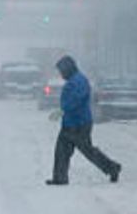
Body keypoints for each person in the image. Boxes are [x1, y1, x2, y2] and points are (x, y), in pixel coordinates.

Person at [46, 55, 122, 186]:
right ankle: (60, 178)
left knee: (88, 151)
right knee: (62, 151)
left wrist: (62, 110)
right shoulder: (74, 80)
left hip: (79, 124)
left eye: (61, 71)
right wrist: (62, 111)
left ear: (68, 69)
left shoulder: (79, 81)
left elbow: (76, 99)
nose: (61, 74)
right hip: (70, 123)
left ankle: (112, 168)